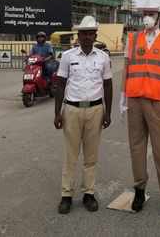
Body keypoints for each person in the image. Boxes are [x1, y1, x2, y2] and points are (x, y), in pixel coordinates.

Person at [119, 7, 160, 214]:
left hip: (157, 101)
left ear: (159, 16)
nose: (148, 17)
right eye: (146, 12)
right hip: (135, 98)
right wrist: (122, 96)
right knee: (136, 147)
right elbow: (126, 67)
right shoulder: (133, 39)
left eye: (152, 13)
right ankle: (139, 189)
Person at [54, 16, 113, 214]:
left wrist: (108, 112)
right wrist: (57, 113)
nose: (87, 37)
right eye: (84, 33)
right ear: (78, 35)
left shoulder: (103, 57)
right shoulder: (68, 56)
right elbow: (60, 84)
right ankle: (66, 195)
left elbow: (108, 85)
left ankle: (89, 193)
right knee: (70, 155)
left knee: (91, 156)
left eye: (90, 33)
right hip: (72, 109)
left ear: (95, 35)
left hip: (96, 110)